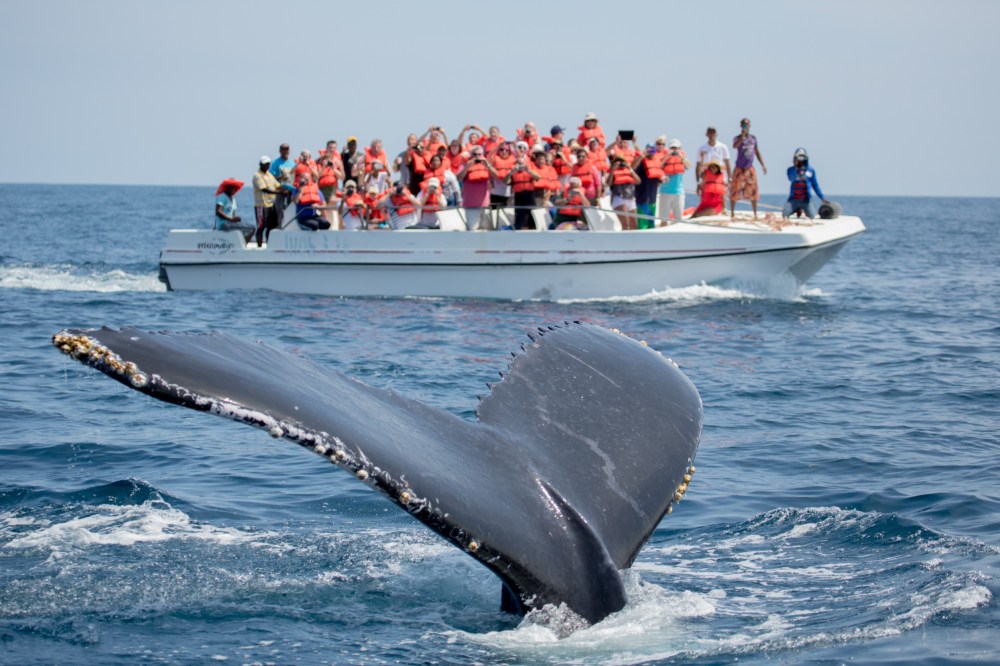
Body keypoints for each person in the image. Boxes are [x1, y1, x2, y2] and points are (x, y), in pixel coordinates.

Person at [730, 118, 767, 218]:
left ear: (750, 125)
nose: (745, 126)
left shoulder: (753, 139)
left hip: (749, 168)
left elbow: (757, 152)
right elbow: (734, 146)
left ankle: (755, 214)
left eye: (747, 124)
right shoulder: (737, 138)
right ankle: (732, 213)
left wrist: (763, 165)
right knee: (735, 190)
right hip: (739, 168)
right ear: (741, 126)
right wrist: (742, 137)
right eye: (743, 124)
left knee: (753, 191)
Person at [456, 144, 497, 230]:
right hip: (471, 205)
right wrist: (467, 166)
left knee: (487, 229)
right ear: (471, 155)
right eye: (475, 154)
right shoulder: (464, 166)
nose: (477, 157)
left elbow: (496, 175)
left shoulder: (486, 165)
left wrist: (487, 165)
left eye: (479, 154)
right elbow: (458, 178)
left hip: (485, 204)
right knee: (473, 229)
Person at [783, 148, 827, 219]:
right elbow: (791, 178)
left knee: (812, 216)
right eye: (798, 157)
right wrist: (796, 167)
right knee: (785, 214)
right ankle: (796, 209)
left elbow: (815, 185)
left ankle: (802, 209)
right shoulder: (791, 170)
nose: (800, 160)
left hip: (805, 200)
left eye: (802, 157)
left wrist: (822, 197)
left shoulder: (810, 170)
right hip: (793, 199)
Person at [253, 156, 283, 246]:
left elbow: (277, 185)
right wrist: (279, 192)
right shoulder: (257, 175)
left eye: (268, 164)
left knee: (271, 226)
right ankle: (259, 246)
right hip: (261, 205)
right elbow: (264, 189)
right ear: (260, 165)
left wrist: (287, 190)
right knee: (261, 226)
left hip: (271, 204)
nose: (267, 166)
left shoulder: (269, 174)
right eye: (265, 164)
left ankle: (269, 245)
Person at [657, 139, 690, 222]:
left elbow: (688, 166)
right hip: (665, 192)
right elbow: (658, 167)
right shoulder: (665, 158)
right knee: (663, 220)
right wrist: (667, 157)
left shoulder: (682, 158)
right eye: (672, 148)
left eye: (676, 148)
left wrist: (680, 157)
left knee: (678, 220)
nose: (674, 150)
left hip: (678, 193)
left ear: (680, 149)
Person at [605, 155, 641, 230]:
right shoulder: (612, 172)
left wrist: (630, 168)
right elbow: (608, 183)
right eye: (617, 162)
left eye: (622, 162)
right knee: (626, 224)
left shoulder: (629, 171)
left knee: (634, 225)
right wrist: (612, 169)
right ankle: (623, 241)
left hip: (630, 198)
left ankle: (632, 241)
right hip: (619, 199)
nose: (621, 164)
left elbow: (638, 181)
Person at [506, 155, 541, 230]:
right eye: (518, 163)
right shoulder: (513, 173)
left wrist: (528, 170)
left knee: (532, 213)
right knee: (519, 214)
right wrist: (511, 172)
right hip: (518, 196)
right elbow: (506, 181)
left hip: (529, 194)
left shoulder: (530, 171)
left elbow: (538, 177)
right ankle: (518, 229)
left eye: (522, 164)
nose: (520, 166)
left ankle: (533, 229)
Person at [633, 145, 664, 229]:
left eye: (653, 151)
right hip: (642, 198)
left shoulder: (655, 164)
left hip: (652, 199)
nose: (651, 153)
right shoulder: (641, 163)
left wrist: (663, 179)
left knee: (651, 224)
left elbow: (658, 180)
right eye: (649, 151)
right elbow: (633, 168)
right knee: (642, 224)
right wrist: (641, 156)